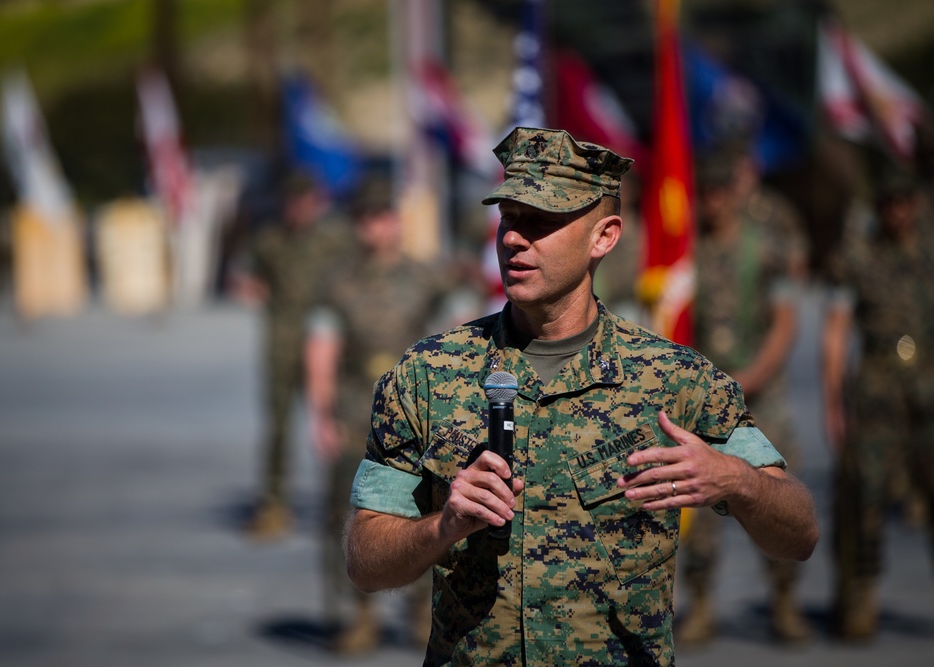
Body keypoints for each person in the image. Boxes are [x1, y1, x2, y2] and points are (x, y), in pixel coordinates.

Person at [343, 127, 819, 666]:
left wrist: (737, 479)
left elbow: (800, 532)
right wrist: (442, 527)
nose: (514, 239)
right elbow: (364, 560)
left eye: (541, 222)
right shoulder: (426, 374)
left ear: (605, 237)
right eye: (508, 218)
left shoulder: (675, 379)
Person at [304, 176, 449, 654]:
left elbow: (452, 339)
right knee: (348, 518)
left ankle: (421, 615)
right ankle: (358, 617)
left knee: (427, 511)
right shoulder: (336, 280)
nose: (376, 227)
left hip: (418, 413)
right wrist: (321, 414)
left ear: (396, 221)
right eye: (366, 218)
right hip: (355, 413)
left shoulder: (427, 276)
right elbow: (322, 347)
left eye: (383, 216)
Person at [675, 149, 811, 645]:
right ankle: (702, 603)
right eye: (703, 193)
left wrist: (753, 375)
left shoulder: (765, 248)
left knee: (772, 496)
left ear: (734, 191)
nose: (711, 202)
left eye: (718, 191)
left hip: (759, 398)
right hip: (703, 401)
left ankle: (784, 601)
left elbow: (785, 321)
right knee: (699, 503)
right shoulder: (689, 252)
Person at [822, 170, 934, 641]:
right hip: (875, 392)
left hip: (927, 391)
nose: (897, 212)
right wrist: (833, 403)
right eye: (889, 203)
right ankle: (858, 599)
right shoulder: (859, 254)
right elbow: (836, 330)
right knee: (863, 500)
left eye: (904, 202)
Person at [242, 171, 352, 539]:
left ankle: (339, 504)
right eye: (291, 201)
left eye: (304, 201)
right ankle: (274, 503)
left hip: (325, 341)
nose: (297, 209)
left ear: (317, 200)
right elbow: (250, 275)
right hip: (283, 340)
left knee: (332, 420)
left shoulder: (336, 238)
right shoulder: (270, 238)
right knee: (278, 426)